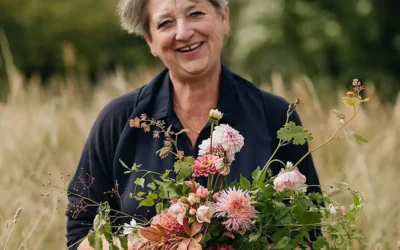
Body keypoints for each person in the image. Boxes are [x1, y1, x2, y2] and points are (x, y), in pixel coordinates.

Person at [66, 0, 321, 249]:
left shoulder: (276, 117)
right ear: (150, 41)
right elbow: (81, 231)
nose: (184, 33)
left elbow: (309, 231)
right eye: (165, 23)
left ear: (224, 19)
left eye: (196, 13)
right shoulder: (119, 120)